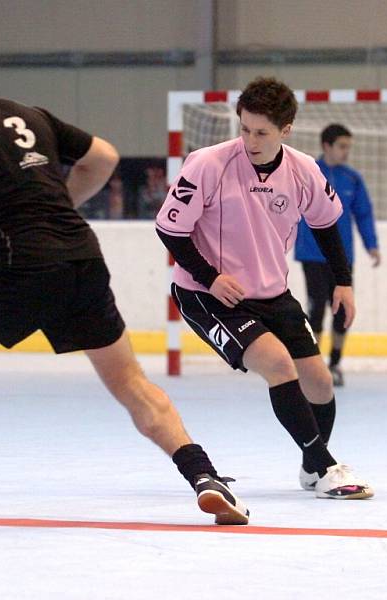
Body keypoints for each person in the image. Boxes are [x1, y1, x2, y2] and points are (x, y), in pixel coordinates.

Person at [0, 42, 248, 527]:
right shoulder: (31, 115)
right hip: (82, 259)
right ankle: (205, 476)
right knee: (131, 383)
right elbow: (104, 157)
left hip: (23, 266)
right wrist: (59, 203)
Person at [156, 77, 373, 499]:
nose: (250, 141)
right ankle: (326, 468)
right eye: (244, 129)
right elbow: (170, 229)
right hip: (208, 295)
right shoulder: (206, 164)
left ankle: (312, 467)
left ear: (285, 131)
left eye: (261, 133)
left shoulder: (303, 170)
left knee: (320, 383)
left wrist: (343, 281)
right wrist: (211, 278)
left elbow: (327, 223)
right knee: (277, 364)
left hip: (272, 292)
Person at [294, 124, 380, 387]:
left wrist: (371, 245)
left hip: (342, 259)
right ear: (327, 146)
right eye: (342, 146)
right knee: (316, 309)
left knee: (342, 311)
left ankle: (335, 362)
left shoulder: (352, 179)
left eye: (348, 147)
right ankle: (313, 365)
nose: (346, 152)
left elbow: (363, 213)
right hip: (311, 255)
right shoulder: (307, 174)